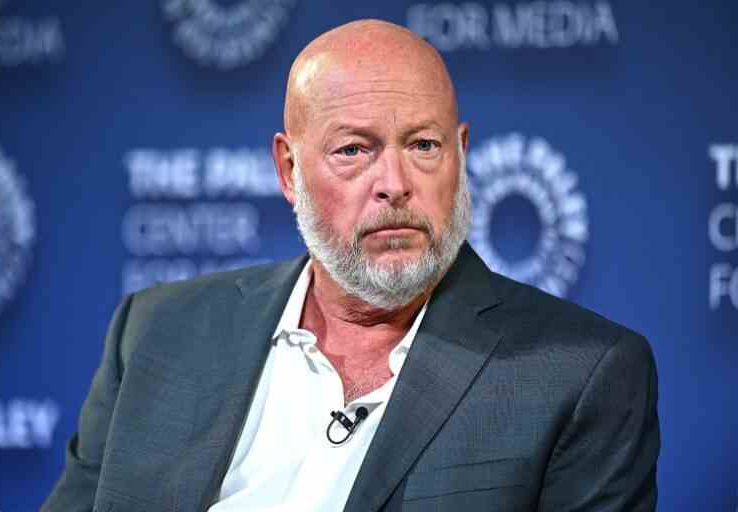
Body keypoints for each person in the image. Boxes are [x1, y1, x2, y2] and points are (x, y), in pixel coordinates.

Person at [42, 19, 659, 512]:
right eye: (353, 150)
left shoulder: (578, 375)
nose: (394, 184)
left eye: (423, 145)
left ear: (461, 155)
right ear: (288, 171)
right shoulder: (156, 330)